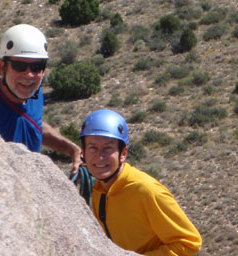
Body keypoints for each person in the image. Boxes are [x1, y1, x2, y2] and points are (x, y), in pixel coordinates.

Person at [80, 109, 202, 256]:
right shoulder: (100, 191)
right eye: (93, 148)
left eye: (108, 148)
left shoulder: (146, 191)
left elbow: (189, 243)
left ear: (123, 153)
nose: (100, 157)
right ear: (83, 151)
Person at [0, 24, 81, 174]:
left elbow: (34, 124)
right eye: (19, 66)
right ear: (2, 67)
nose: (29, 75)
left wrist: (71, 149)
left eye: (37, 67)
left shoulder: (35, 94)